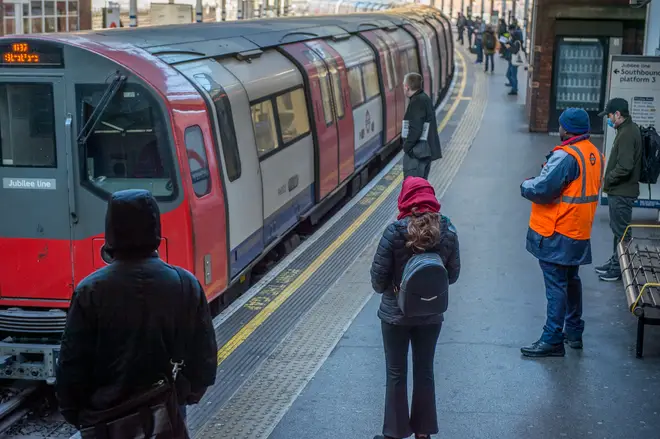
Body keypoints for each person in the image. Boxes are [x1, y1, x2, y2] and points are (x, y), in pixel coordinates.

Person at [56, 189, 218, 437]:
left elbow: (71, 366)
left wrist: (80, 415)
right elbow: (204, 360)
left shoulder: (90, 291)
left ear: (111, 231)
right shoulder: (185, 284)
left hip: (105, 423)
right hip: (165, 413)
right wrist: (182, 394)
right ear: (156, 228)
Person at [371, 176, 460, 439]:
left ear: (406, 200)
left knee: (396, 373)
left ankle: (395, 433)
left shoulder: (394, 232)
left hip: (395, 316)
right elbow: (452, 276)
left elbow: (377, 282)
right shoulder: (448, 230)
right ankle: (423, 432)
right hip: (431, 315)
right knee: (425, 372)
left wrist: (398, 286)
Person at [520, 108, 604, 357]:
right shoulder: (594, 153)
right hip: (579, 230)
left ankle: (552, 338)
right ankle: (574, 331)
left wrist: (525, 185)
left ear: (566, 129)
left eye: (561, 126)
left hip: (556, 231)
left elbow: (543, 189)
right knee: (571, 281)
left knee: (556, 286)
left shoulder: (566, 156)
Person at [595, 98, 642, 282]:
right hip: (620, 191)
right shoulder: (625, 130)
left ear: (617, 114)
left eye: (609, 115)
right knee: (618, 231)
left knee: (622, 232)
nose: (608, 119)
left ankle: (619, 269)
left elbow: (625, 166)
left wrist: (608, 179)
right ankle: (616, 262)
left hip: (622, 191)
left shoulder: (627, 134)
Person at [401, 72, 441, 180]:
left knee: (414, 189)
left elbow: (416, 129)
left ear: (407, 87)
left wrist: (407, 147)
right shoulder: (424, 98)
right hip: (424, 152)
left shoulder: (417, 102)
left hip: (417, 154)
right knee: (420, 187)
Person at [504, 24, 522, 96]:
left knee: (513, 75)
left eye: (510, 31)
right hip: (511, 59)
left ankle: (514, 89)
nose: (509, 32)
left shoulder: (517, 40)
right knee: (508, 75)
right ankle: (512, 85)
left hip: (514, 60)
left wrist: (508, 45)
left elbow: (514, 50)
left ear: (513, 30)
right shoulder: (512, 38)